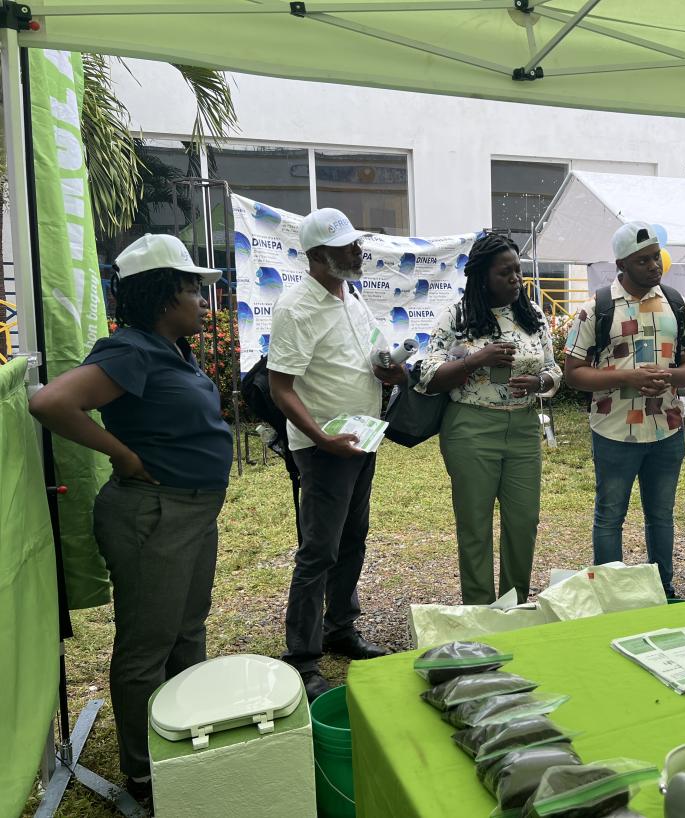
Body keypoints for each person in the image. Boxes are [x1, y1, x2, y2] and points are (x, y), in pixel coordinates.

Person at [29, 234, 232, 802]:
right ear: (163, 295)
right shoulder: (132, 350)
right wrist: (120, 453)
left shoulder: (173, 350)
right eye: (192, 289)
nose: (201, 301)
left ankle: (186, 736)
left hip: (190, 513)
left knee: (187, 632)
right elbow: (50, 402)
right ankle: (146, 773)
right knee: (149, 643)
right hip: (153, 515)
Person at [267, 207, 405, 701]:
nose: (357, 251)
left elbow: (367, 356)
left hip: (361, 437)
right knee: (319, 550)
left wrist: (388, 371)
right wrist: (322, 439)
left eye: (356, 243)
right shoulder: (296, 308)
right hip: (325, 447)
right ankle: (302, 658)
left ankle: (340, 628)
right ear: (319, 257)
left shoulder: (350, 296)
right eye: (347, 247)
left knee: (354, 537)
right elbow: (280, 386)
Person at [418, 233, 561, 604]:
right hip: (471, 428)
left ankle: (513, 605)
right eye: (505, 273)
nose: (515, 279)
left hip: (524, 428)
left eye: (517, 271)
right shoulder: (458, 317)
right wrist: (475, 360)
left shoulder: (532, 317)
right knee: (475, 525)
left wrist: (540, 382)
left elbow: (553, 370)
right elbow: (427, 375)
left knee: (523, 523)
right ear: (482, 277)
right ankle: (480, 610)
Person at [564, 221, 685, 597]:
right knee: (610, 516)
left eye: (656, 257)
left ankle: (664, 589)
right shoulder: (597, 309)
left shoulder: (676, 304)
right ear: (621, 264)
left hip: (667, 429)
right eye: (643, 261)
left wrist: (670, 377)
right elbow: (573, 374)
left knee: (661, 516)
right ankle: (612, 594)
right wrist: (628, 377)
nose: (654, 266)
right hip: (615, 431)